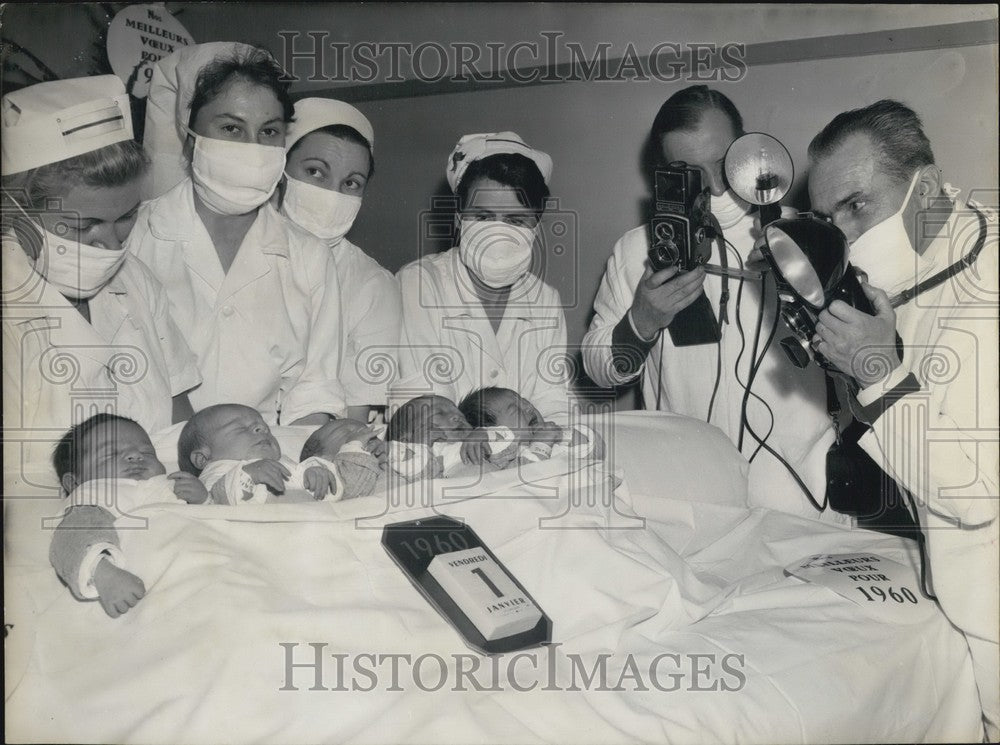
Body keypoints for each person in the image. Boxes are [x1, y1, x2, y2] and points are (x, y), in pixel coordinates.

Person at [806, 99, 998, 740]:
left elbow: (972, 493)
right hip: (963, 596)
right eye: (828, 217)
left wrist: (876, 373)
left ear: (924, 186)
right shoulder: (914, 274)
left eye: (856, 206)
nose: (844, 234)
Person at [582, 85, 835, 519]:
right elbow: (600, 372)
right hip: (690, 488)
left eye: (723, 165)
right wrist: (640, 323)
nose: (716, 188)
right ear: (665, 173)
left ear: (749, 151)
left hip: (801, 487)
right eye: (692, 172)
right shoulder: (634, 250)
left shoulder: (805, 236)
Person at [128, 45, 346, 426]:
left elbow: (313, 393)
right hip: (154, 461)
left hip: (269, 461)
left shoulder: (309, 256)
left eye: (269, 132)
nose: (253, 149)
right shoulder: (133, 236)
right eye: (231, 128)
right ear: (192, 136)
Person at [1, 75, 200, 475]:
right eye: (83, 226)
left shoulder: (137, 280)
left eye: (126, 217)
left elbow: (180, 426)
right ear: (17, 211)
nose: (109, 244)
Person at [395, 132, 574, 422]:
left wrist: (557, 436)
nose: (497, 234)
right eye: (482, 216)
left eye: (516, 220)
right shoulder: (419, 285)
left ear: (536, 229)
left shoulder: (544, 299)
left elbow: (553, 400)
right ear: (458, 217)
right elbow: (429, 410)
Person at [280, 98, 402, 423]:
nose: (332, 194)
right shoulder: (240, 247)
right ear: (280, 167)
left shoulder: (372, 283)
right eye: (316, 172)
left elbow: (353, 417)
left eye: (351, 183)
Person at [48, 414, 207, 618]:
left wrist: (204, 499)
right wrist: (103, 572)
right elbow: (72, 537)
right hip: (156, 585)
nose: (135, 455)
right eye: (110, 454)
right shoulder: (94, 495)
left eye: (147, 452)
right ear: (75, 483)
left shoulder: (174, 486)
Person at [458, 386, 604, 462]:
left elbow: (596, 450)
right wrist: (481, 434)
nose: (529, 407)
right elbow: (532, 476)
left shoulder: (556, 439)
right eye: (515, 409)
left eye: (525, 401)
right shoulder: (507, 459)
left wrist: (560, 435)